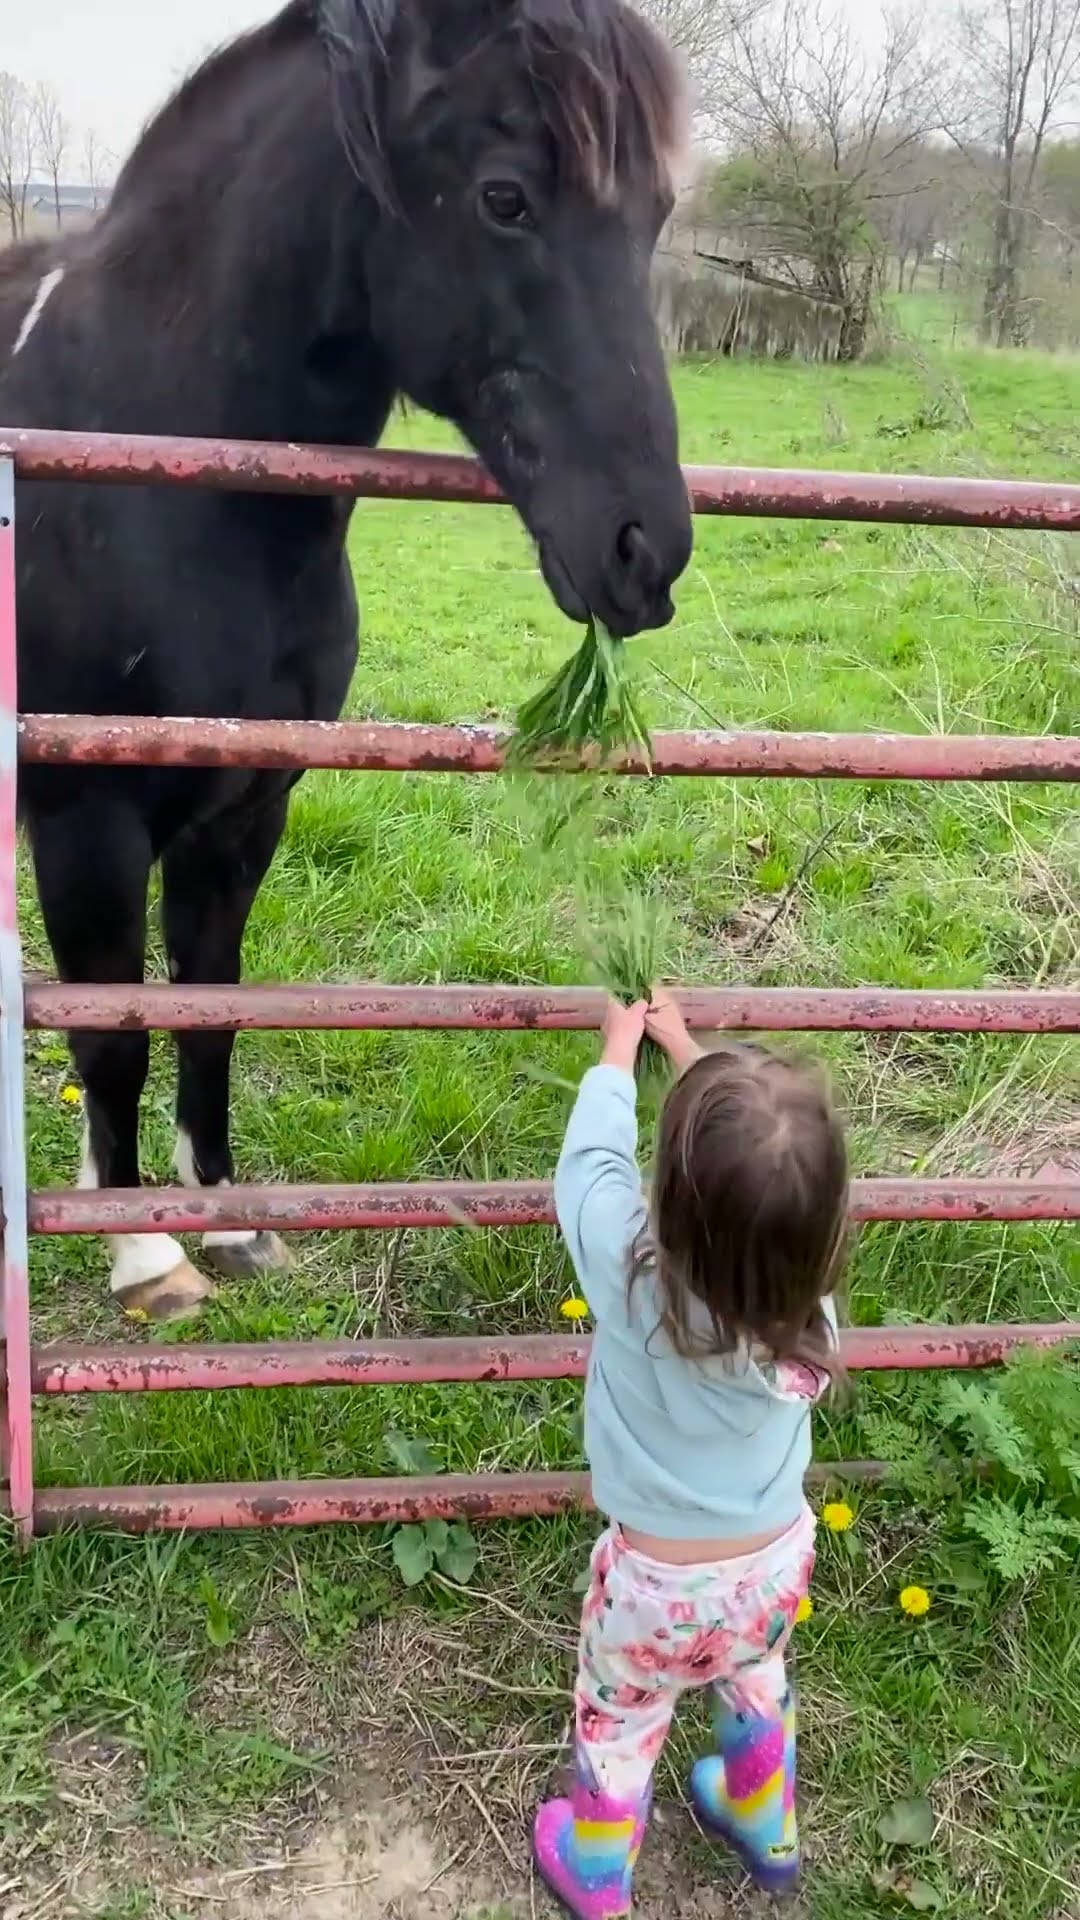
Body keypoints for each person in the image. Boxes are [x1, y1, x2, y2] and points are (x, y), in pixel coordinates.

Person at [532, 989, 848, 1918]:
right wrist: (696, 1056)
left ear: (666, 1197)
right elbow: (759, 1183)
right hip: (776, 1563)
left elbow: (588, 1169)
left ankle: (595, 1868)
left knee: (621, 1721)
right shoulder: (809, 1313)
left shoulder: (635, 1279)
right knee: (757, 1679)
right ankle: (762, 1816)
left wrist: (620, 1051)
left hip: (655, 1591)